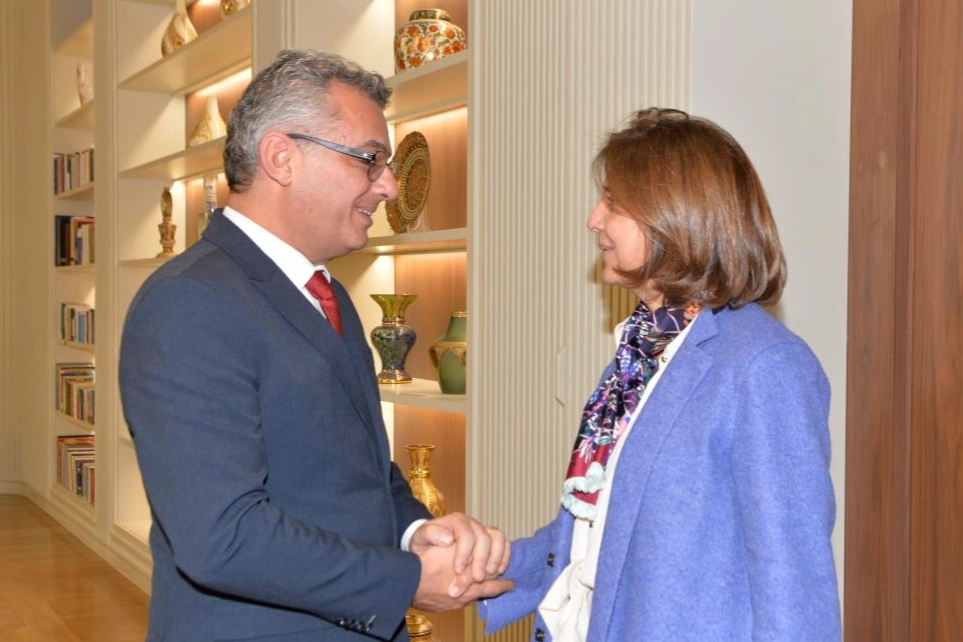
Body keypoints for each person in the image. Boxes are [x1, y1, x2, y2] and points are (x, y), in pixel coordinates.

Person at [119, 49, 511, 642]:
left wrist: (414, 532)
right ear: (282, 157)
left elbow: (354, 466)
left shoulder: (325, 291)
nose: (388, 185)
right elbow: (222, 537)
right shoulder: (187, 302)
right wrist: (405, 581)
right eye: (370, 160)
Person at [479, 108, 840, 641]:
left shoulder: (765, 367)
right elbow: (600, 526)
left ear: (674, 215)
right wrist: (483, 567)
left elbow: (794, 589)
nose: (593, 219)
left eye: (613, 202)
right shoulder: (642, 350)